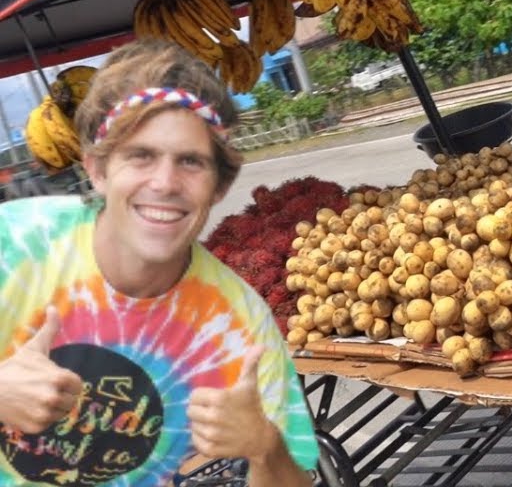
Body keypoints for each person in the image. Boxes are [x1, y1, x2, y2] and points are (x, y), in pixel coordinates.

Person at [0, 39, 318, 486]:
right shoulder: (14, 244)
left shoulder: (239, 325)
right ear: (97, 169)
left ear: (219, 187)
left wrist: (265, 447)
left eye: (190, 161)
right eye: (141, 156)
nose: (165, 183)